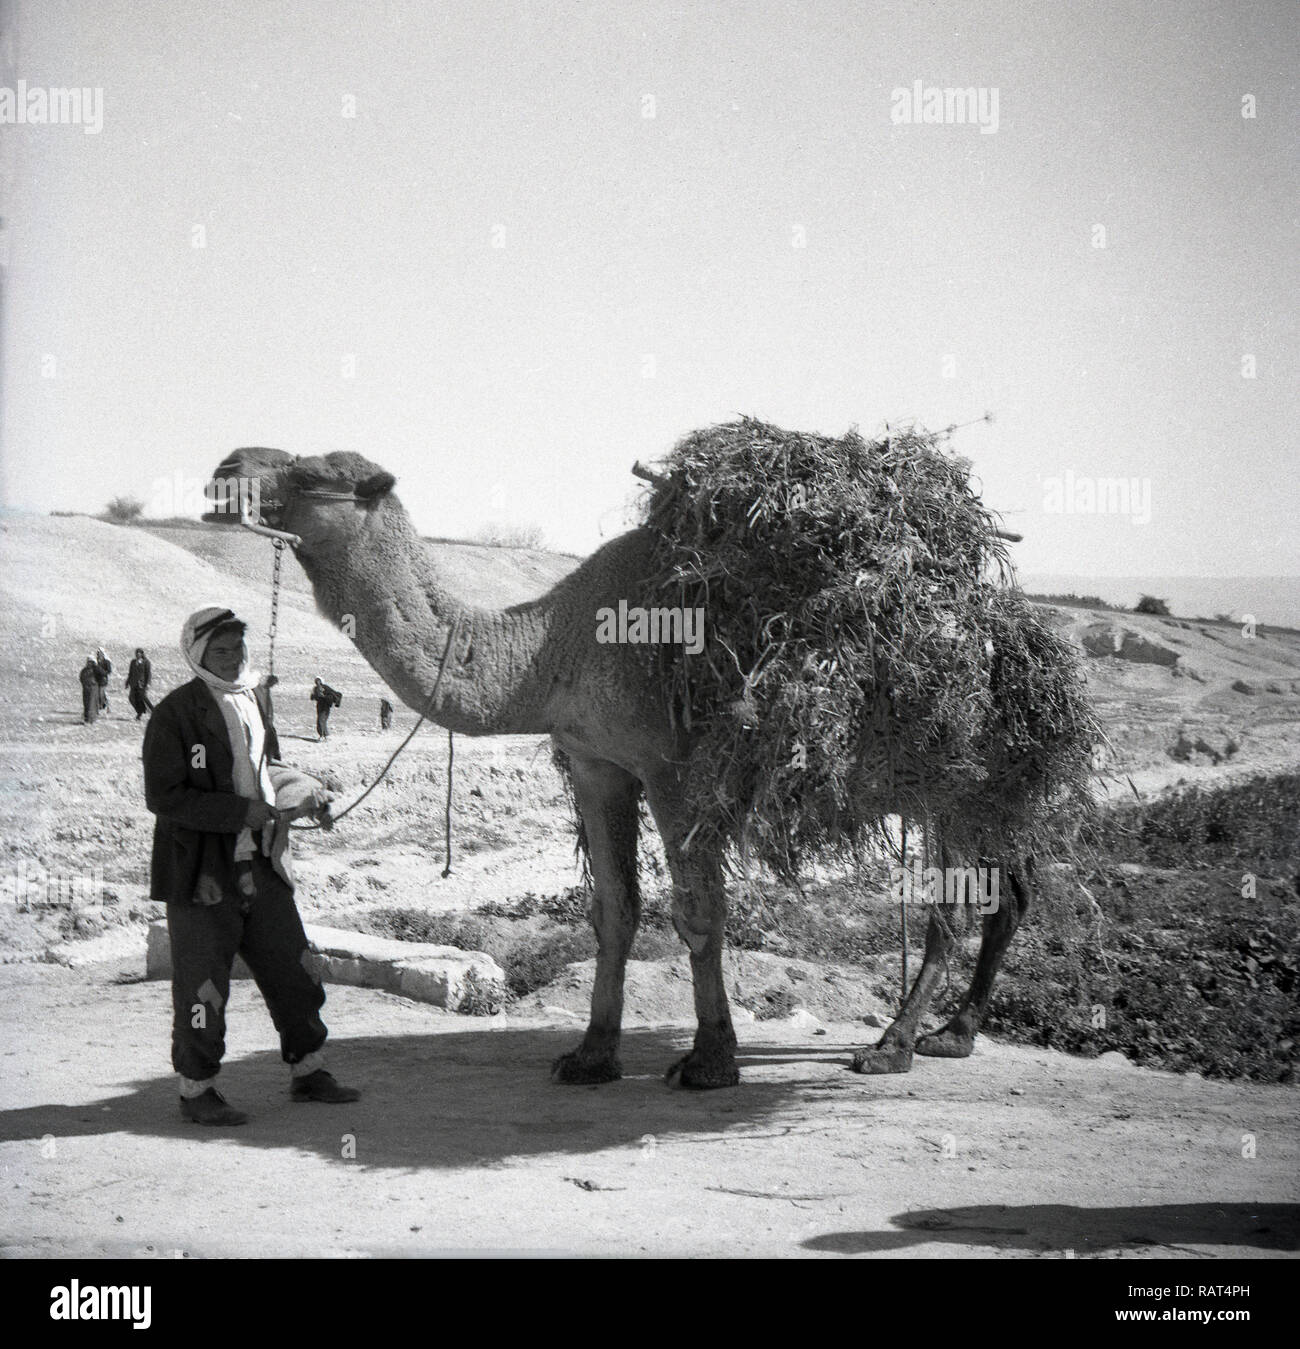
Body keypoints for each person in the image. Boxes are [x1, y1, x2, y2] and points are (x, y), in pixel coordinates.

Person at [143, 605, 360, 1126]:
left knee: (294, 970)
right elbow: (164, 796)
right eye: (221, 650)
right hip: (203, 874)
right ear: (196, 653)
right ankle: (197, 1090)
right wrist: (241, 811)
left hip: (262, 862)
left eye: (239, 648)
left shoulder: (255, 697)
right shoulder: (174, 714)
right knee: (203, 988)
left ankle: (309, 1070)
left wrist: (311, 793)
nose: (233, 657)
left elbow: (270, 768)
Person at [254, 674, 282, 762]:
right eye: (271, 684)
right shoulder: (256, 689)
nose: (271, 686)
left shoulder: (266, 691)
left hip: (268, 723)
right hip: (261, 723)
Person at [125, 648, 154, 720]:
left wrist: (148, 683)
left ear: (142, 654)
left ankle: (153, 710)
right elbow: (130, 673)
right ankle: (139, 712)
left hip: (142, 684)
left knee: (143, 697)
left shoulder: (146, 662)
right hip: (133, 684)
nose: (138, 654)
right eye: (137, 652)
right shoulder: (133, 662)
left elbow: (148, 674)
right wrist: (127, 682)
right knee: (132, 698)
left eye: (139, 653)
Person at [79, 656, 100, 723]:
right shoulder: (85, 670)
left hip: (92, 688)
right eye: (89, 662)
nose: (89, 663)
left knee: (91, 703)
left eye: (91, 662)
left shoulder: (95, 669)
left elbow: (102, 676)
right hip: (87, 688)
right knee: (87, 703)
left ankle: (90, 719)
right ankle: (87, 718)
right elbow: (81, 677)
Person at [94, 647, 112, 712]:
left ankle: (104, 706)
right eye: (98, 653)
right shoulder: (96, 661)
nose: (98, 654)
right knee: (100, 694)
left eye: (100, 653)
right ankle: (103, 705)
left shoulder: (107, 661)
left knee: (101, 693)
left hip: (103, 680)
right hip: (96, 680)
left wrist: (102, 672)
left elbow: (109, 671)